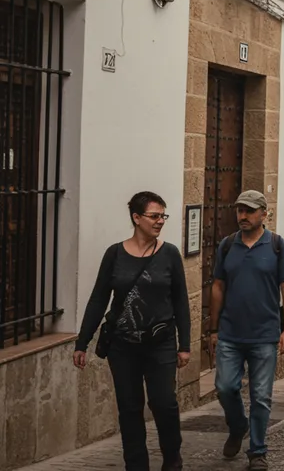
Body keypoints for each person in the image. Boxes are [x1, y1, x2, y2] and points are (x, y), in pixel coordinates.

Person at [74, 191, 190, 471]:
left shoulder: (170, 254)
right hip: (123, 346)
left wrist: (184, 345)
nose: (160, 221)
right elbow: (99, 298)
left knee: (164, 403)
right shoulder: (114, 254)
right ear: (136, 218)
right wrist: (82, 342)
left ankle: (172, 458)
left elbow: (181, 301)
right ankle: (136, 465)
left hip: (160, 342)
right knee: (129, 408)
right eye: (154, 216)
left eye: (163, 216)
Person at [209, 190, 284, 470]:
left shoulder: (278, 246)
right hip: (230, 334)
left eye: (249, 210)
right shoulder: (227, 245)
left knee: (261, 396)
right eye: (240, 210)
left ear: (264, 214)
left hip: (264, 335)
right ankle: (238, 426)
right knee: (225, 387)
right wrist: (213, 329)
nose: (243, 216)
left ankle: (257, 451)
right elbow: (218, 286)